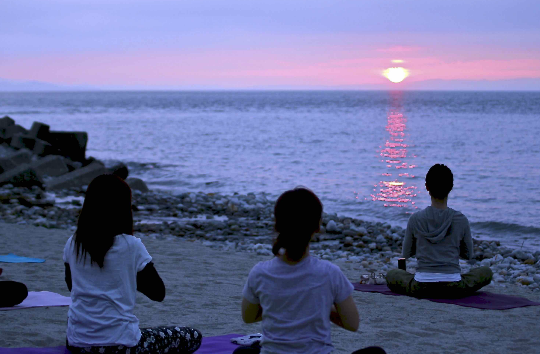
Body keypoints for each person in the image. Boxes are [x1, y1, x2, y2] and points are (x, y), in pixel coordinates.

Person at [63, 174, 202, 354]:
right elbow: (158, 293)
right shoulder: (131, 245)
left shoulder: (73, 243)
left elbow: (72, 286)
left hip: (77, 343)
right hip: (121, 346)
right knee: (192, 336)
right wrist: (125, 278)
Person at [238, 187, 386, 354]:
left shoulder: (260, 272)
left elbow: (248, 317)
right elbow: (352, 323)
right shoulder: (330, 273)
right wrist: (319, 307)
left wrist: (282, 306)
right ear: (317, 227)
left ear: (278, 225)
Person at [386, 164, 493, 298]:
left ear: (427, 187)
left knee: (392, 274)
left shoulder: (415, 219)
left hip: (421, 287)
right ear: (451, 187)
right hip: (454, 286)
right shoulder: (461, 219)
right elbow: (468, 255)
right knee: (486, 272)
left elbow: (406, 254)